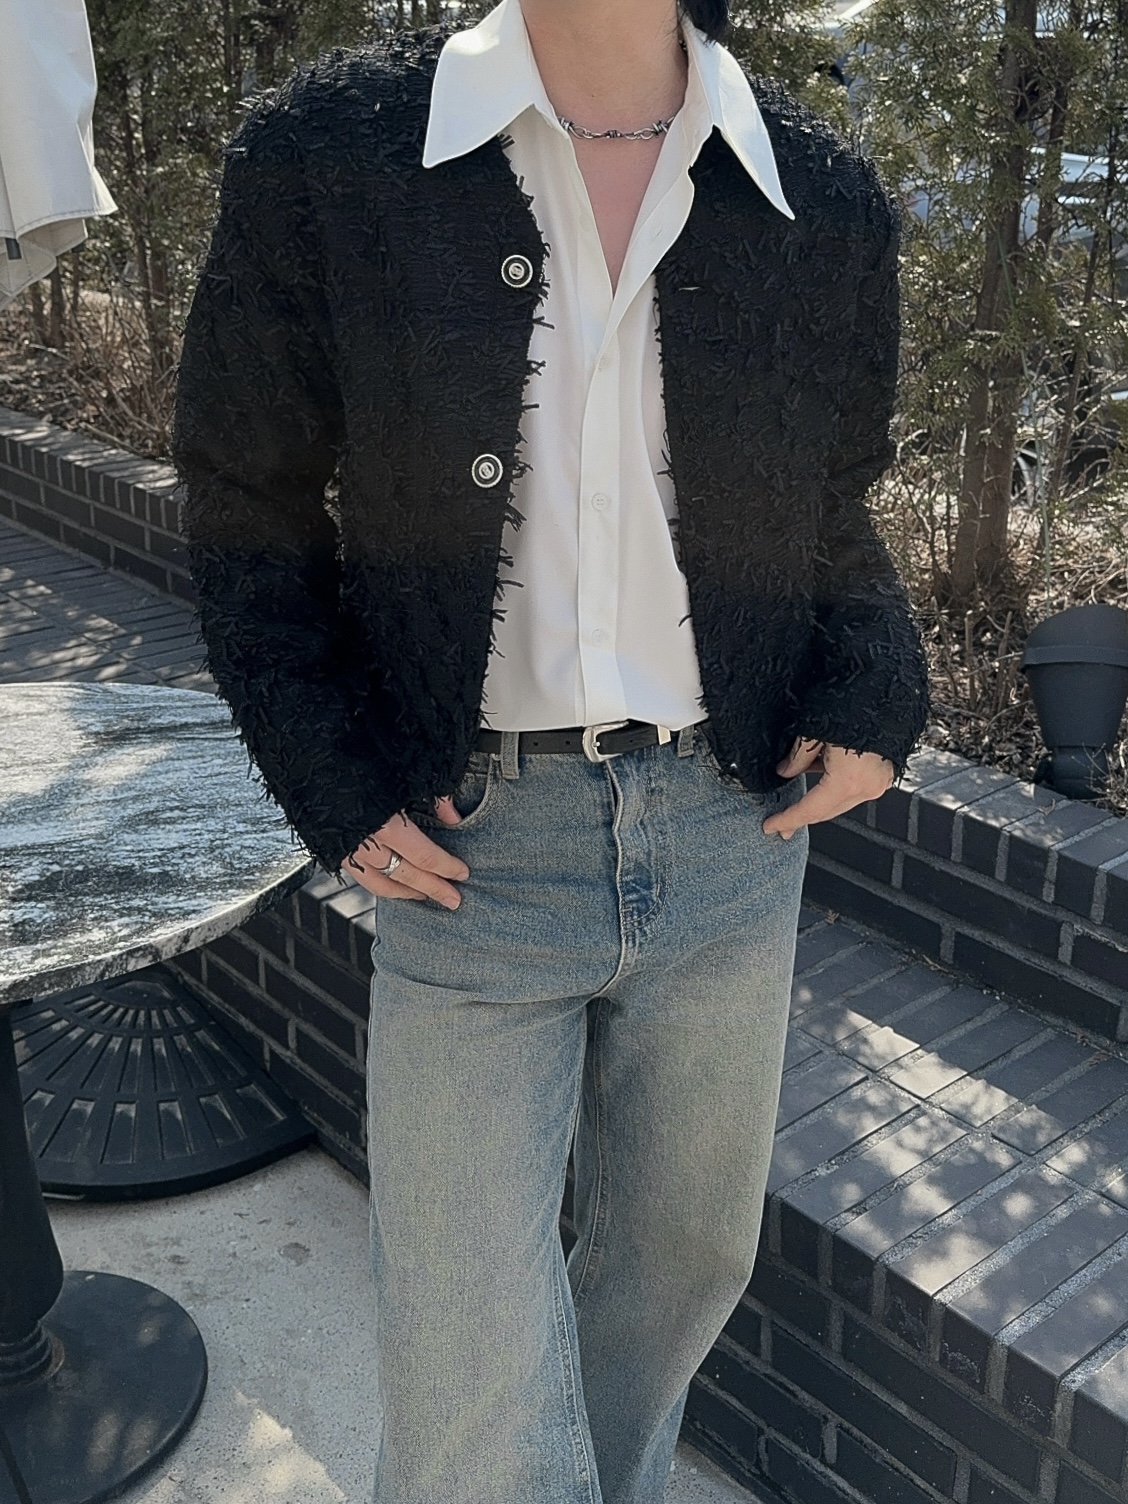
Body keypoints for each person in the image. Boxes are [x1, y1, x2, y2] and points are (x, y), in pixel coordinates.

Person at [172, 0, 931, 1499]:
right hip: (474, 856)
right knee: (469, 1378)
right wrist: (326, 774)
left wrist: (875, 687)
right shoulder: (335, 152)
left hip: (730, 839)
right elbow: (245, 494)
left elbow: (835, 496)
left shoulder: (818, 193)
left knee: (678, 1274)